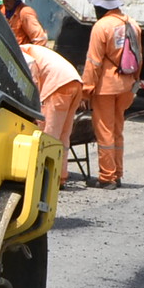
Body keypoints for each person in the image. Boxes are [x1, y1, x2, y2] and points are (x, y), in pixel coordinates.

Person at [80, 0, 142, 189]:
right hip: (127, 84)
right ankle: (118, 173)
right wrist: (134, 82)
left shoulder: (102, 27)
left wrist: (86, 90)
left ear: (101, 7)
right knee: (117, 130)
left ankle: (107, 178)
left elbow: (93, 62)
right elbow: (139, 58)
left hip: (106, 86)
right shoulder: (133, 24)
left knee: (105, 132)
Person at [21, 41, 84, 186]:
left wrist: (32, 109)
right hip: (75, 83)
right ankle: (60, 177)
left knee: (49, 134)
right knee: (63, 134)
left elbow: (33, 82)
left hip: (58, 87)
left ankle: (45, 177)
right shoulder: (32, 50)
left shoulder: (21, 55)